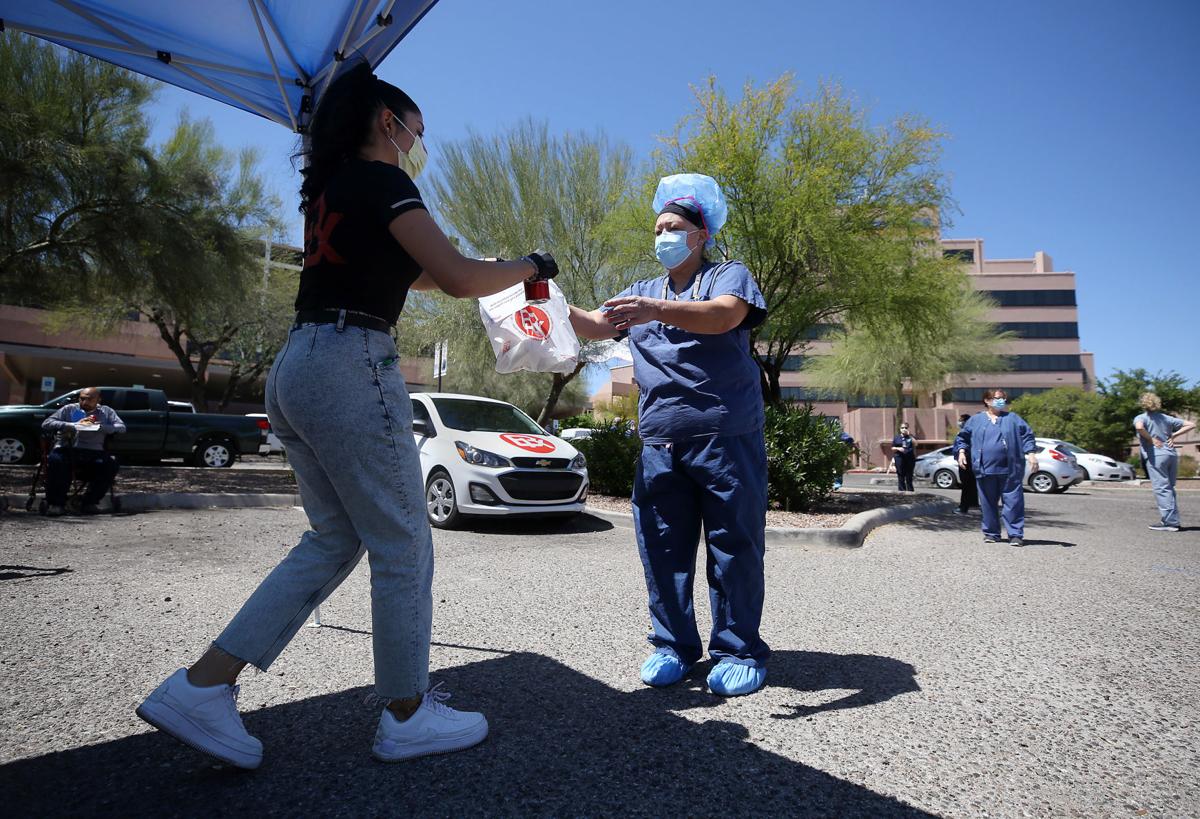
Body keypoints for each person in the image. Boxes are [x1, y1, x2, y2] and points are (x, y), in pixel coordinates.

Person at [137, 61, 558, 770]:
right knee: (402, 542)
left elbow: (430, 270)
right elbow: (455, 279)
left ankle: (202, 685)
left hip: (300, 363)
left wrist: (486, 264)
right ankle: (405, 714)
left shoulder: (331, 189)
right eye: (417, 132)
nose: (419, 145)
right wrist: (529, 263)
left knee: (334, 539)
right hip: (353, 362)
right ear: (386, 123)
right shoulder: (386, 179)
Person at [567, 173, 771, 697]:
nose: (662, 236)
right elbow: (594, 323)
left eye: (673, 227)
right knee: (662, 548)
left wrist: (656, 312)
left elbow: (724, 317)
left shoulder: (730, 276)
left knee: (733, 546)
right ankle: (673, 646)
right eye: (658, 227)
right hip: (659, 441)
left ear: (700, 235)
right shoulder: (641, 292)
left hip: (725, 435)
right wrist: (535, 293)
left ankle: (739, 649)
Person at [954, 389, 1038, 546]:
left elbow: (1027, 435)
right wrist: (961, 452)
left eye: (1003, 399)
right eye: (997, 398)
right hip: (985, 469)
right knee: (987, 503)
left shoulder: (1013, 419)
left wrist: (1031, 453)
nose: (1001, 401)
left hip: (1010, 470)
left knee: (1013, 502)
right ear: (987, 400)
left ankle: (1015, 534)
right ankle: (992, 533)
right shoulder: (976, 420)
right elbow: (962, 437)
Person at [39, 386, 124, 515]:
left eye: (89, 399)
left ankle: (89, 502)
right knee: (56, 461)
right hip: (67, 448)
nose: (84, 402)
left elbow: (121, 427)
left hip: (94, 451)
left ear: (98, 400)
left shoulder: (106, 412)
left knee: (110, 465)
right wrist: (71, 425)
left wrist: (100, 427)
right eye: (82, 399)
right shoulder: (69, 409)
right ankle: (56, 504)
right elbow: (47, 423)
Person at [1134, 392, 1194, 532]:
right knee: (1169, 487)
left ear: (1143, 404)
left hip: (1156, 455)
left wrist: (1151, 439)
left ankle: (1171, 523)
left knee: (1162, 488)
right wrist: (1174, 435)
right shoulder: (1166, 418)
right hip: (1171, 454)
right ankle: (1172, 520)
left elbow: (1139, 427)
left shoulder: (1141, 417)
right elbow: (1191, 424)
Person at [954, 413, 978, 514]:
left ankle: (964, 507)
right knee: (971, 484)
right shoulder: (964, 432)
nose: (959, 422)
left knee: (967, 484)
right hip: (964, 460)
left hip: (967, 460)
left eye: (961, 420)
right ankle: (973, 504)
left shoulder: (967, 433)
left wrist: (962, 453)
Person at [891, 422, 916, 492]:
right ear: (900, 429)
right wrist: (898, 448)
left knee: (909, 476)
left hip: (909, 458)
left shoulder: (910, 437)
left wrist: (910, 435)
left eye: (906, 428)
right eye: (902, 428)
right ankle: (902, 491)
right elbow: (892, 448)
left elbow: (916, 444)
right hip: (899, 458)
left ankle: (910, 492)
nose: (904, 429)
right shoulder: (896, 437)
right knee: (901, 475)